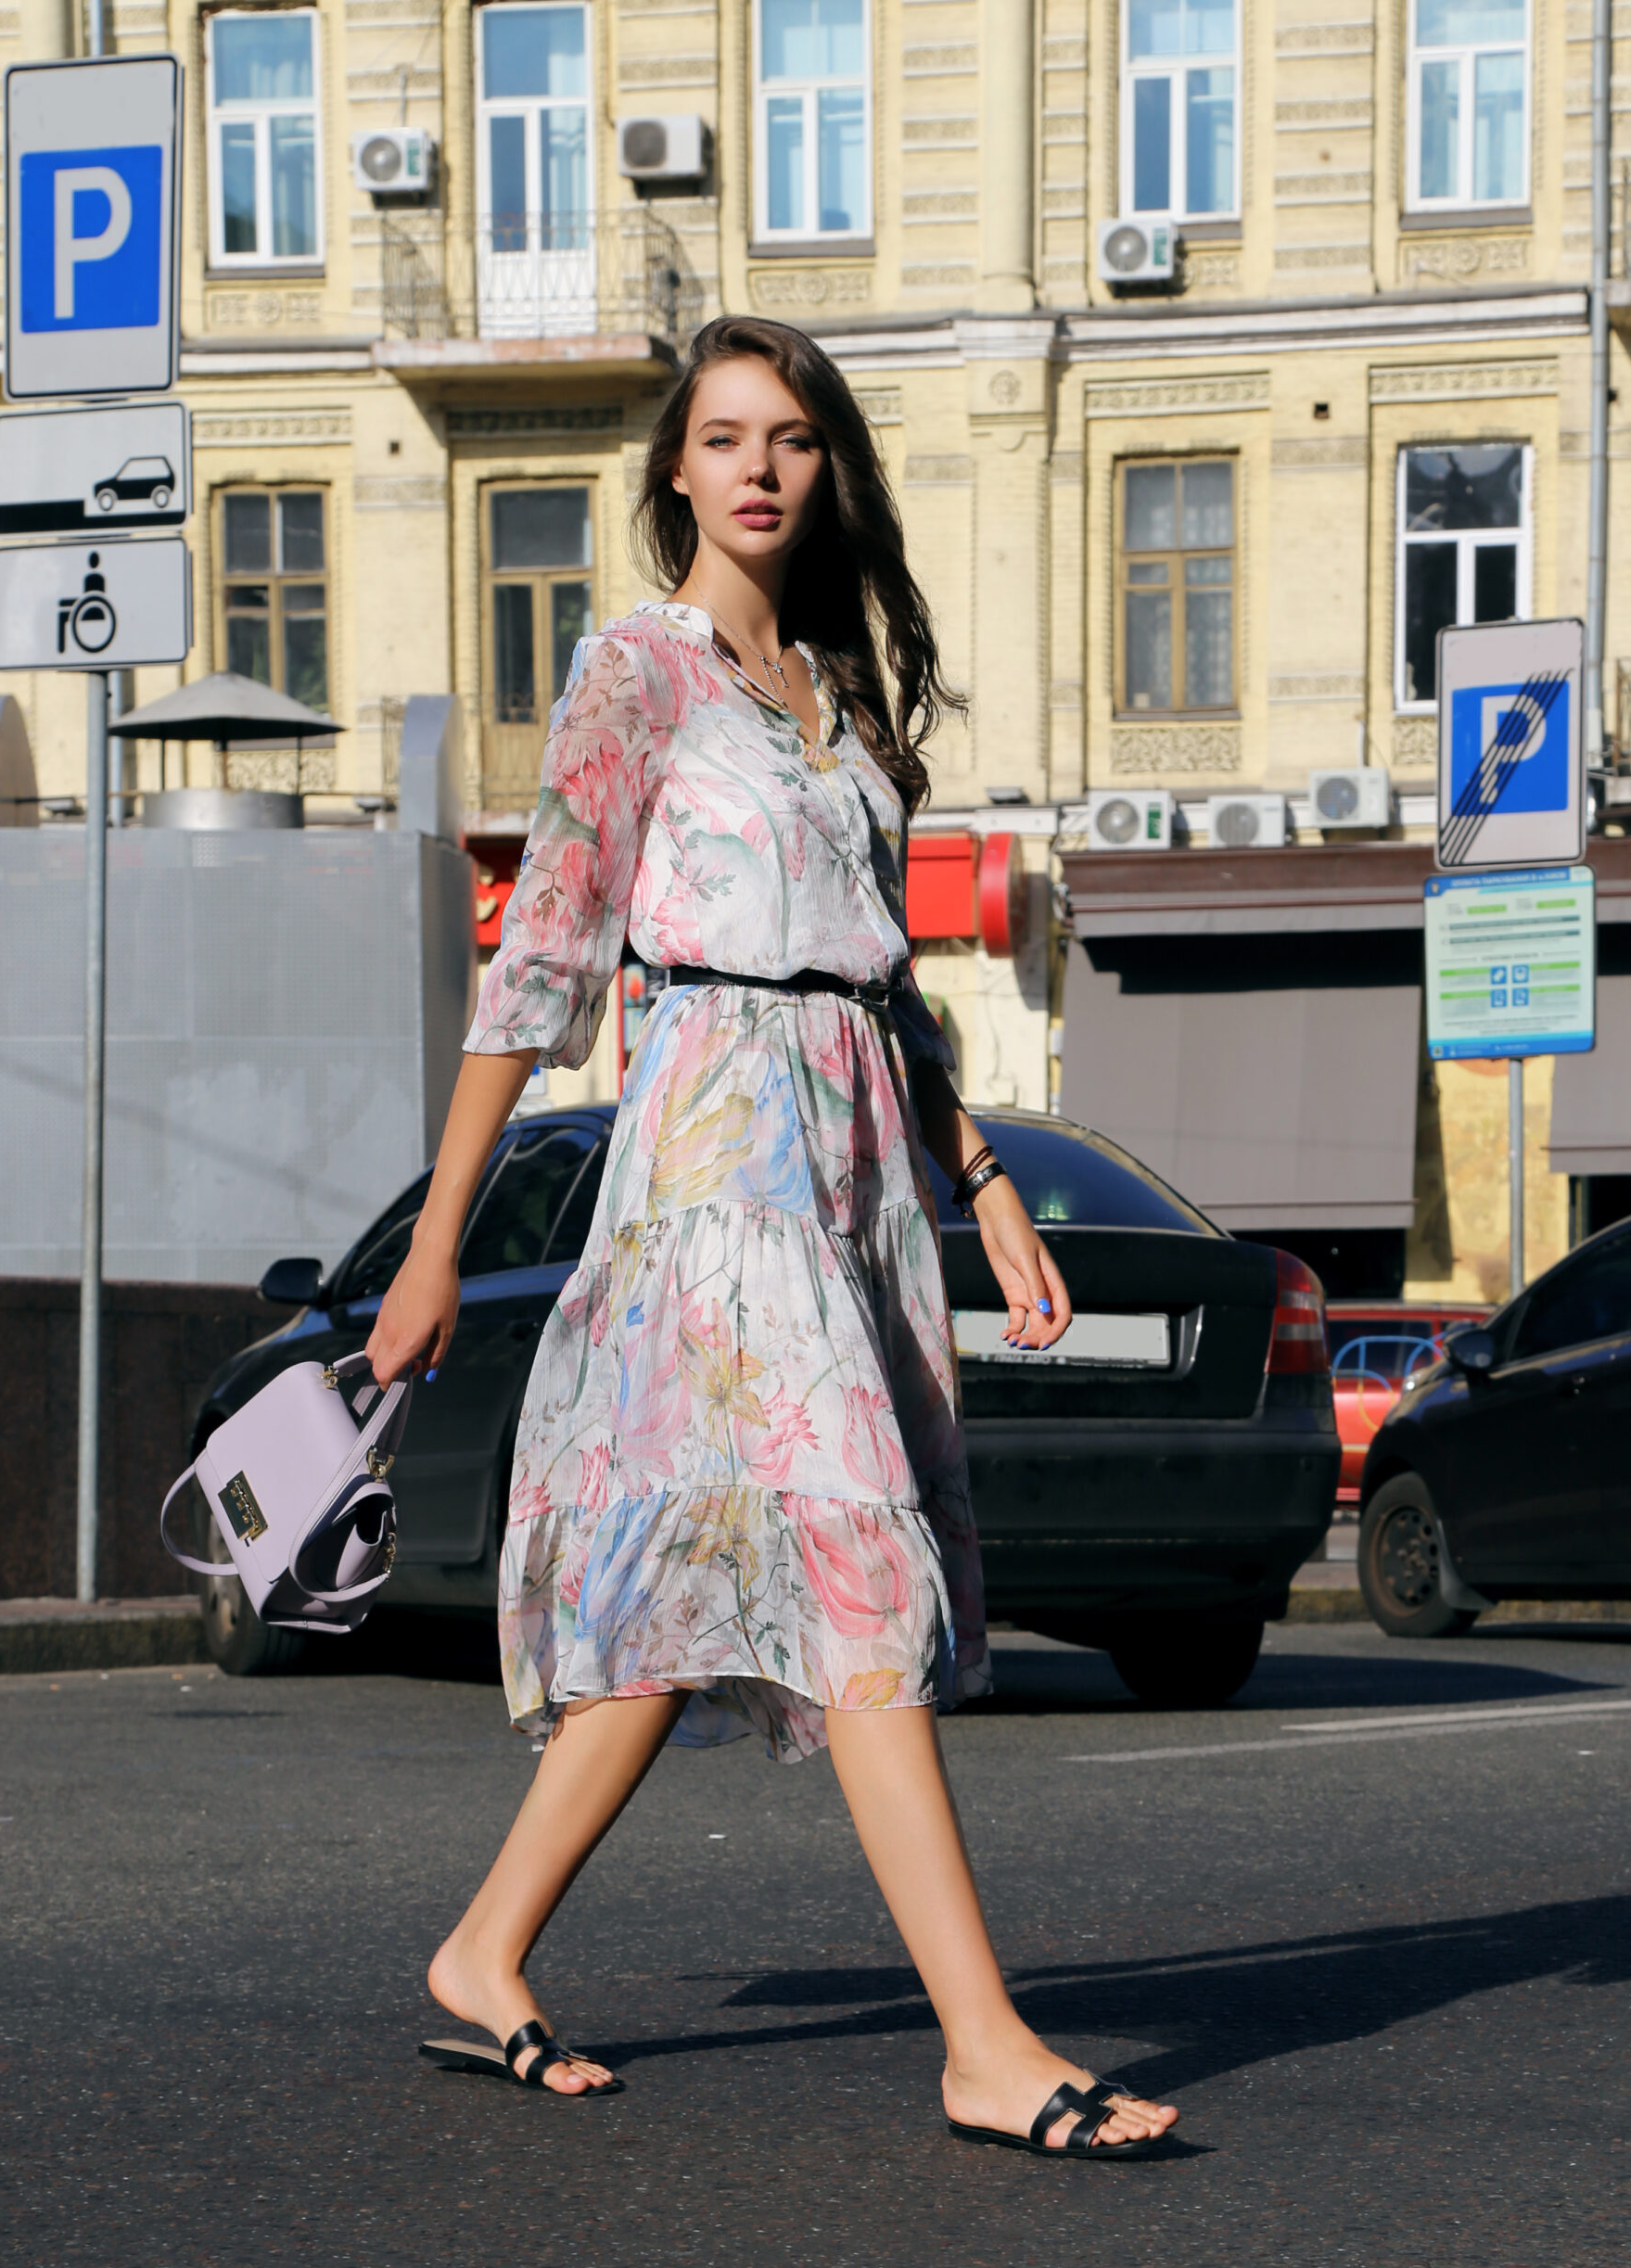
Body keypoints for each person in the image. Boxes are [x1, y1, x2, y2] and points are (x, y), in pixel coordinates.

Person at [366, 314, 1179, 2160]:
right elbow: (544, 967)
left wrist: (984, 1187)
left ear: (825, 469)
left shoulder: (839, 701)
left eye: (791, 437)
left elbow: (887, 987)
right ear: (675, 467)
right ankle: (983, 2041)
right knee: (848, 1570)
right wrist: (436, 1244)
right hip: (715, 1168)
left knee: (694, 1588)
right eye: (723, 434)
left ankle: (483, 1948)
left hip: (852, 1166)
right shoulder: (634, 675)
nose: (756, 465)